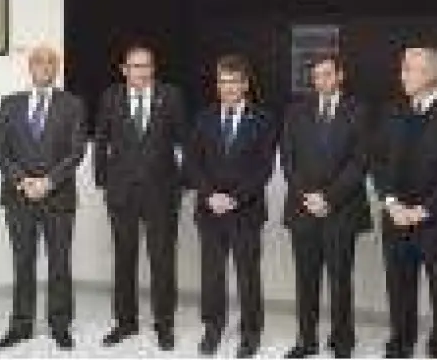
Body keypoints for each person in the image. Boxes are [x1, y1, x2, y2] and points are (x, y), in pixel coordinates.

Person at [370, 47, 437, 358]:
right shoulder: (392, 111)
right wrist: (391, 203)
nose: (401, 75)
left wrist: (424, 209)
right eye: (403, 68)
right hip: (396, 219)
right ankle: (400, 344)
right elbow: (377, 160)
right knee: (399, 289)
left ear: (431, 74)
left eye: (409, 69)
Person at [0, 45, 86, 350]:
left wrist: (48, 181)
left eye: (50, 62)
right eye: (38, 62)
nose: (44, 67)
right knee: (23, 263)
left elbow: (77, 151)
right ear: (29, 67)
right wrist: (22, 180)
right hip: (18, 197)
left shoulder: (73, 104)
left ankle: (60, 325)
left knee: (59, 264)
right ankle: (21, 325)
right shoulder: (10, 104)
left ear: (56, 68)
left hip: (58, 197)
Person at [94, 44, 188, 351]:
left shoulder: (171, 96)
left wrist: (181, 183)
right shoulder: (111, 97)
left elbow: (183, 142)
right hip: (121, 194)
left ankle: (164, 324)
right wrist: (103, 182)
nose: (141, 71)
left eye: (146, 65)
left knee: (162, 261)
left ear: (153, 68)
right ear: (124, 70)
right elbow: (101, 141)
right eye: (135, 66)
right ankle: (125, 323)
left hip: (162, 194)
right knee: (124, 259)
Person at [280, 53, 372, 358]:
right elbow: (288, 159)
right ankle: (306, 340)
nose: (321, 81)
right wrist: (308, 196)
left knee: (340, 280)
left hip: (341, 210)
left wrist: (329, 198)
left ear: (340, 76)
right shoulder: (296, 111)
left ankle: (342, 340)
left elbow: (360, 162)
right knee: (306, 281)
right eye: (317, 76)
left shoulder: (358, 111)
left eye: (327, 74)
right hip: (303, 209)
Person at [188, 54, 277, 358]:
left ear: (245, 84)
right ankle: (213, 327)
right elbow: (193, 163)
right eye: (221, 82)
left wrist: (234, 198)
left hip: (246, 210)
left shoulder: (263, 119)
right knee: (212, 275)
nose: (226, 88)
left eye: (233, 82)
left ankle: (250, 332)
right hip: (209, 210)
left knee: (247, 274)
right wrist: (210, 195)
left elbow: (264, 168)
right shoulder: (203, 118)